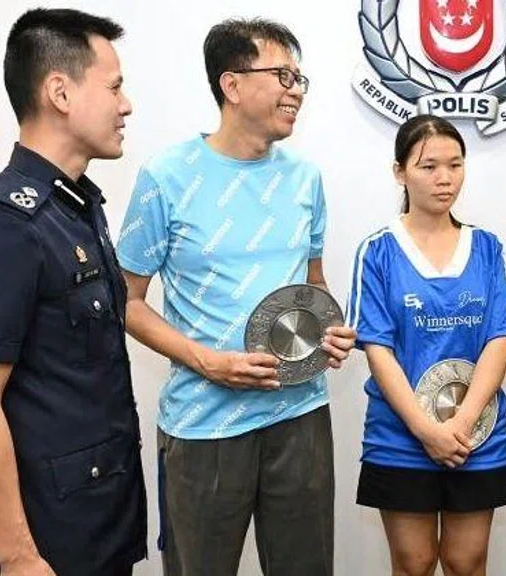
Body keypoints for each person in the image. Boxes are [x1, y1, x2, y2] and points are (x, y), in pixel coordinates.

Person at [115, 18, 355, 576]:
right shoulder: (166, 177)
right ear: (232, 84)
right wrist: (207, 362)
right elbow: (126, 300)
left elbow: (312, 285)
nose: (296, 89)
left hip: (301, 417)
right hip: (204, 426)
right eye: (283, 75)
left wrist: (328, 330)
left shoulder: (305, 178)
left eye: (301, 78)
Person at [0, 9, 145, 576]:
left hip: (97, 522)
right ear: (60, 91)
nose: (126, 104)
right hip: (41, 546)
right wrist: (16, 556)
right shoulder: (6, 225)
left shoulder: (78, 209)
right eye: (114, 86)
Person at [347, 114, 506, 576]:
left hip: (476, 436)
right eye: (428, 167)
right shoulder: (377, 250)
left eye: (455, 164)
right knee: (413, 562)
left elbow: (499, 338)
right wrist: (426, 430)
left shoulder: (486, 247)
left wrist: (459, 425)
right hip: (400, 437)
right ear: (400, 171)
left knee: (466, 562)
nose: (444, 178)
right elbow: (377, 349)